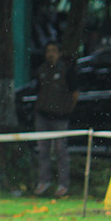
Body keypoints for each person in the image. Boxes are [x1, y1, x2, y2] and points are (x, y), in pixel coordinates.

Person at [32, 41, 79, 198]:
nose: (50, 54)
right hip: (42, 116)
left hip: (60, 118)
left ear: (59, 53)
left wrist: (67, 109)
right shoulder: (41, 70)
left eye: (54, 50)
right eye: (48, 51)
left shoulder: (66, 70)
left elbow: (75, 93)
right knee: (43, 151)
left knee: (61, 151)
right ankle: (44, 181)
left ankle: (63, 184)